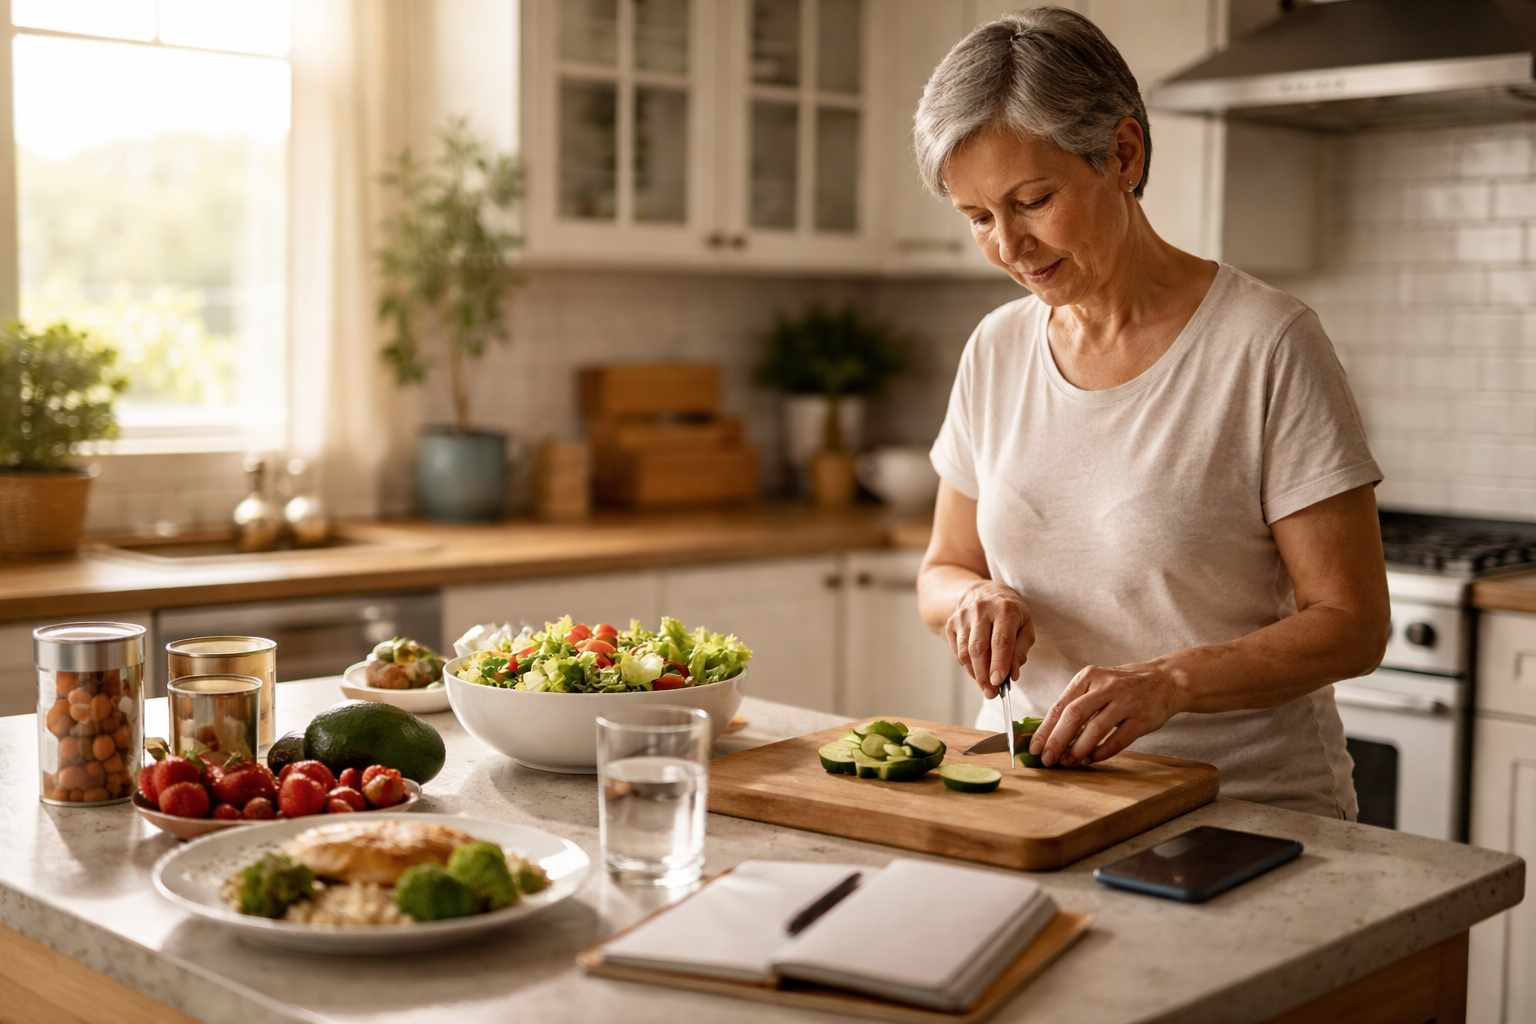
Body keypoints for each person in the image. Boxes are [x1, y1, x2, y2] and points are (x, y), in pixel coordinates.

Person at [912, 8, 1389, 818]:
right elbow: (942, 567)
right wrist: (972, 601)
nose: (1008, 247)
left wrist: (1171, 683)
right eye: (978, 219)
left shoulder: (1266, 344)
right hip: (1045, 802)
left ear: (1122, 154)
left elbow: (1352, 624)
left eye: (1033, 200)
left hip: (1247, 813)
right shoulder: (995, 350)